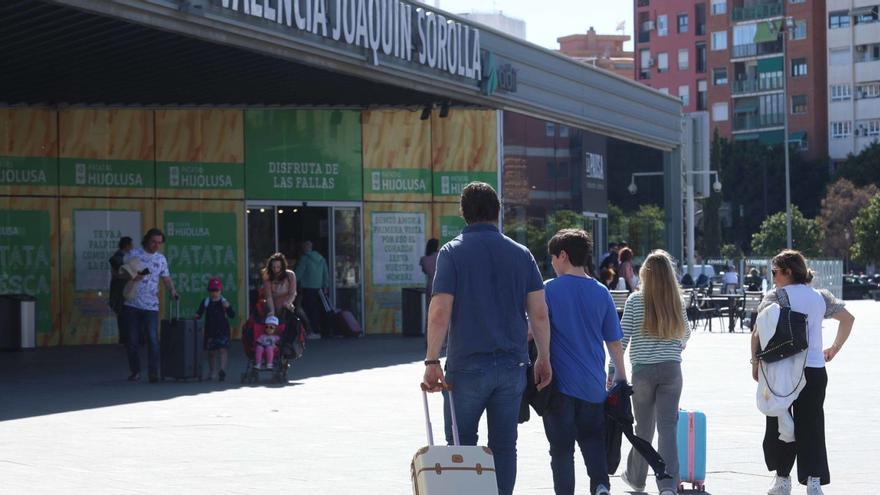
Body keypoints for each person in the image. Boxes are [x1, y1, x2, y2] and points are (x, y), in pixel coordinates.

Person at [422, 181, 552, 495]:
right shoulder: (521, 254)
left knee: (461, 446)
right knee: (505, 447)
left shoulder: (452, 253)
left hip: (466, 366)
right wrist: (544, 358)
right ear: (498, 212)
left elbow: (440, 311)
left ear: (464, 215)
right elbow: (539, 313)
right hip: (511, 366)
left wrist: (431, 360)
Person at [751, 250, 854, 495]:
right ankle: (813, 481)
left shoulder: (776, 296)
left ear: (788, 272)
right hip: (815, 370)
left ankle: (782, 479)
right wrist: (834, 349)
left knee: (780, 423)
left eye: (776, 272)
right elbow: (848, 319)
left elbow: (757, 332)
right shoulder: (821, 297)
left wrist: (755, 363)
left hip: (783, 371)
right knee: (813, 425)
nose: (773, 276)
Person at [542, 229, 627, 495]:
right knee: (593, 440)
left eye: (553, 258)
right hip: (593, 385)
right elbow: (614, 341)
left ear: (563, 255)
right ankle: (601, 486)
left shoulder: (548, 289)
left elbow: (533, 330)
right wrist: (622, 377)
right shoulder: (601, 292)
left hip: (560, 386)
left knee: (561, 448)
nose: (553, 264)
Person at [614, 250, 690, 495]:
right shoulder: (676, 300)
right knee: (668, 427)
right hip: (671, 370)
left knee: (643, 429)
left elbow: (622, 339)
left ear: (644, 273)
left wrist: (612, 371)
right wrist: (677, 344)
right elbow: (686, 333)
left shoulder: (635, 301)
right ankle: (668, 485)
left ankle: (637, 478)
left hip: (642, 372)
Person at [121, 228, 178, 383]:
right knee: (132, 340)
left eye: (159, 242)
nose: (156, 245)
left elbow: (166, 278)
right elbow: (120, 273)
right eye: (153, 241)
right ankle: (135, 371)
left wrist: (172, 291)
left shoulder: (161, 259)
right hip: (132, 303)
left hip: (151, 305)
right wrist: (132, 276)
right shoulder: (133, 254)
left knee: (153, 339)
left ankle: (154, 372)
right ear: (146, 240)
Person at [195, 277, 235, 381]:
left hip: (223, 330)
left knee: (223, 350)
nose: (214, 293)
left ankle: (222, 370)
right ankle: (212, 371)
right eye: (212, 290)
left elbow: (232, 315)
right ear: (209, 291)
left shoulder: (224, 301)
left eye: (216, 290)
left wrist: (228, 307)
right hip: (210, 331)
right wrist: (195, 317)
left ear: (221, 291)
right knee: (211, 352)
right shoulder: (206, 301)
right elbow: (199, 313)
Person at [262, 253, 306, 338]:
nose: (276, 269)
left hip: (287, 303)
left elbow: (293, 292)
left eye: (278, 267)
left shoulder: (290, 275)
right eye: (273, 267)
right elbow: (268, 296)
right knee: (271, 319)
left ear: (282, 266)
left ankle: (304, 330)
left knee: (295, 314)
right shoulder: (267, 277)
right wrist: (272, 311)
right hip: (273, 303)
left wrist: (288, 302)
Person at [295, 241, 331, 338]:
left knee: (302, 309)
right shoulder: (321, 259)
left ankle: (310, 331)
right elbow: (325, 273)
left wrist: (291, 280)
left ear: (304, 248)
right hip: (318, 289)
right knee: (315, 310)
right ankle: (317, 330)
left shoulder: (304, 259)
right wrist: (325, 285)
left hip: (306, 288)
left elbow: (298, 273)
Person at [108, 236, 133, 344]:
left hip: (124, 290)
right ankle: (124, 339)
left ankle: (126, 338)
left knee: (125, 315)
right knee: (123, 315)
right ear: (127, 246)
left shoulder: (125, 257)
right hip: (120, 291)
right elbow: (118, 274)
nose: (132, 247)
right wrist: (132, 275)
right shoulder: (118, 258)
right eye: (131, 245)